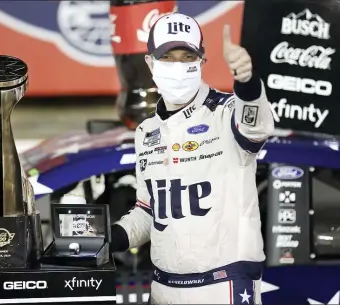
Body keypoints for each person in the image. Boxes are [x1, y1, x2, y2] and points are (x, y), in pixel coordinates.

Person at [111, 12, 274, 304]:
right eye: (167, 56)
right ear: (150, 62)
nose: (178, 65)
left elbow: (257, 126)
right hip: (162, 288)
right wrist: (110, 238)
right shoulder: (146, 131)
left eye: (187, 56)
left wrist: (247, 81)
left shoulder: (227, 111)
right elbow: (149, 211)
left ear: (201, 61)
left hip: (223, 286)